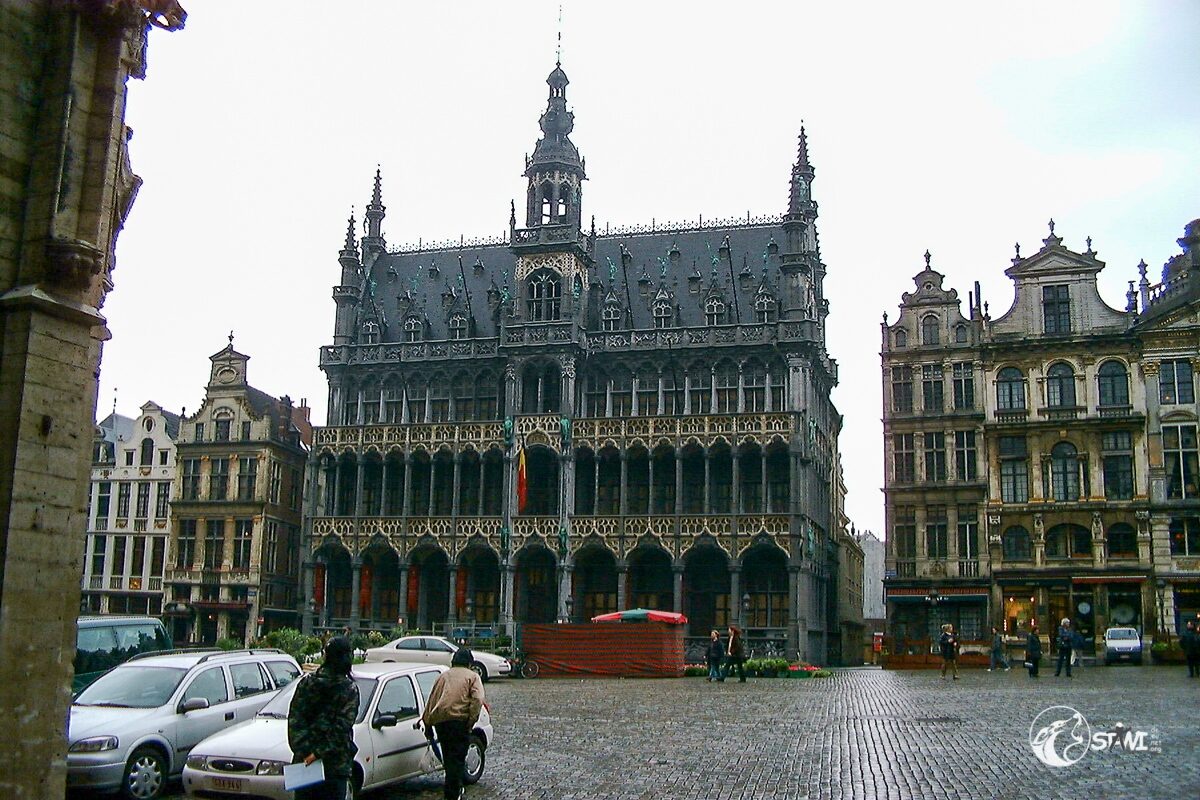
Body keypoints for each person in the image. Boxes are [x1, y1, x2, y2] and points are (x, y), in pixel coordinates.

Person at [288, 636, 360, 800]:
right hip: (334, 766)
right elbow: (341, 729)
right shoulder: (349, 689)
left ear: (326, 656)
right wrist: (317, 753)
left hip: (304, 763)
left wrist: (306, 752)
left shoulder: (306, 683)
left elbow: (295, 721)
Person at [422, 647, 485, 800]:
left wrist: (427, 722)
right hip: (459, 722)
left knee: (449, 758)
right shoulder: (472, 677)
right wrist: (471, 721)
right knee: (457, 760)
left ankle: (453, 791)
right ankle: (453, 793)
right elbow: (478, 699)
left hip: (442, 723)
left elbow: (432, 699)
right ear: (469, 663)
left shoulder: (443, 676)